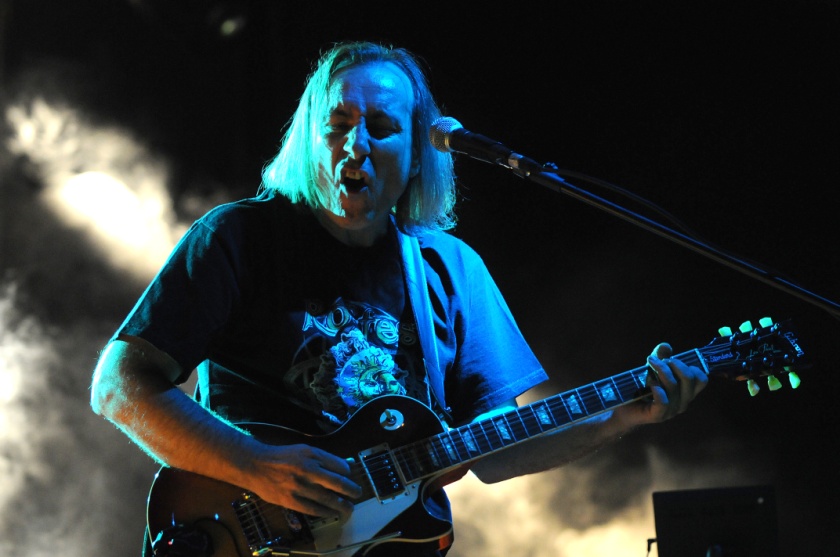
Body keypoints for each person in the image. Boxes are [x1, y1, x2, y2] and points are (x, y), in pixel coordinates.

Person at [90, 41, 707, 556]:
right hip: (246, 532)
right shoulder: (238, 238)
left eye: (382, 128)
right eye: (337, 125)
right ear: (309, 140)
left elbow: (496, 449)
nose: (355, 145)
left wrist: (621, 416)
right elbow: (119, 385)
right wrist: (254, 465)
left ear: (417, 156)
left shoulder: (449, 268)